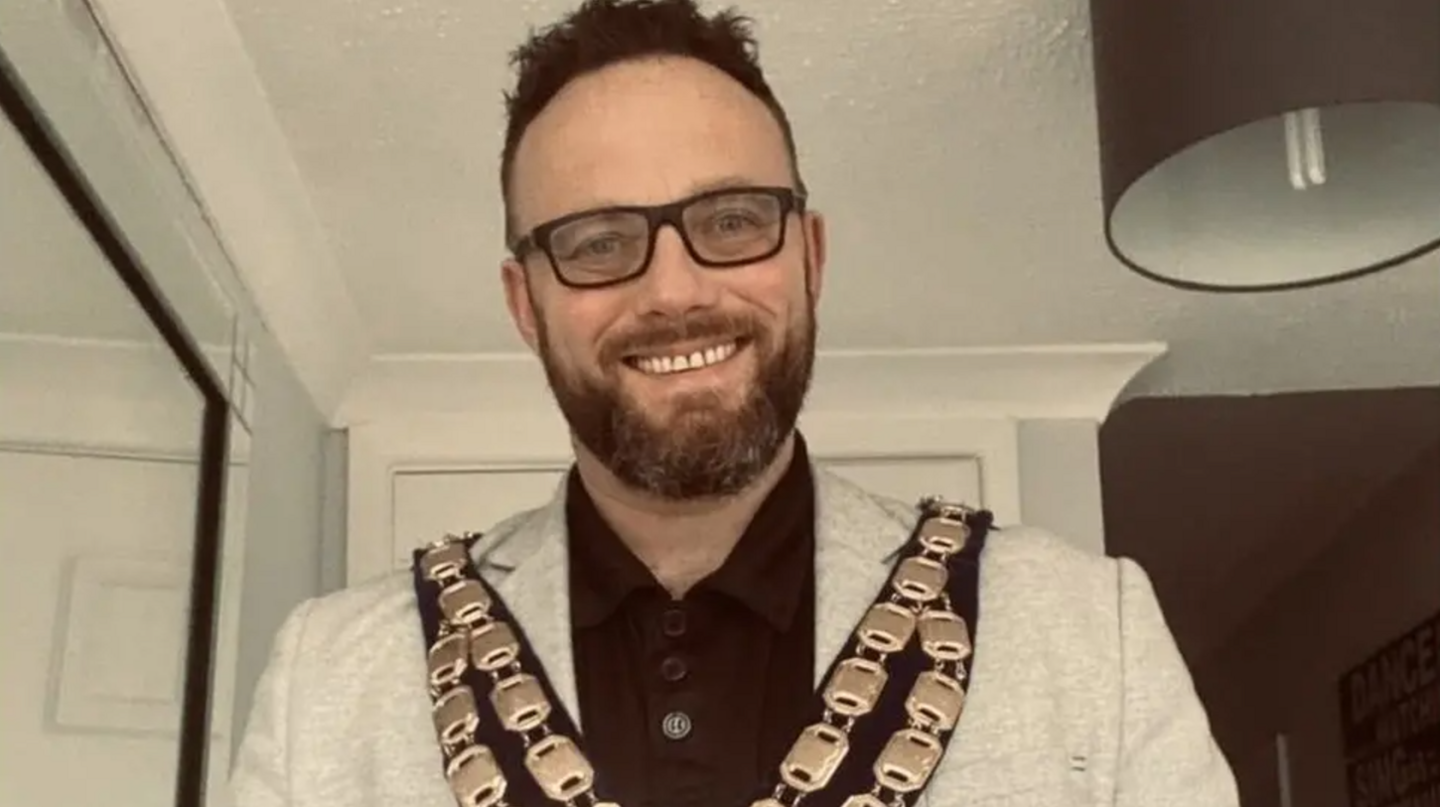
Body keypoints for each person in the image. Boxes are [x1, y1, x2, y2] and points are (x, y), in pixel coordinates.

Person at [228, 1, 1240, 805]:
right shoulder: (332, 679)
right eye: (595, 242)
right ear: (525, 306)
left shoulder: (1083, 631)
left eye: (733, 219)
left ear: (810, 255)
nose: (673, 291)